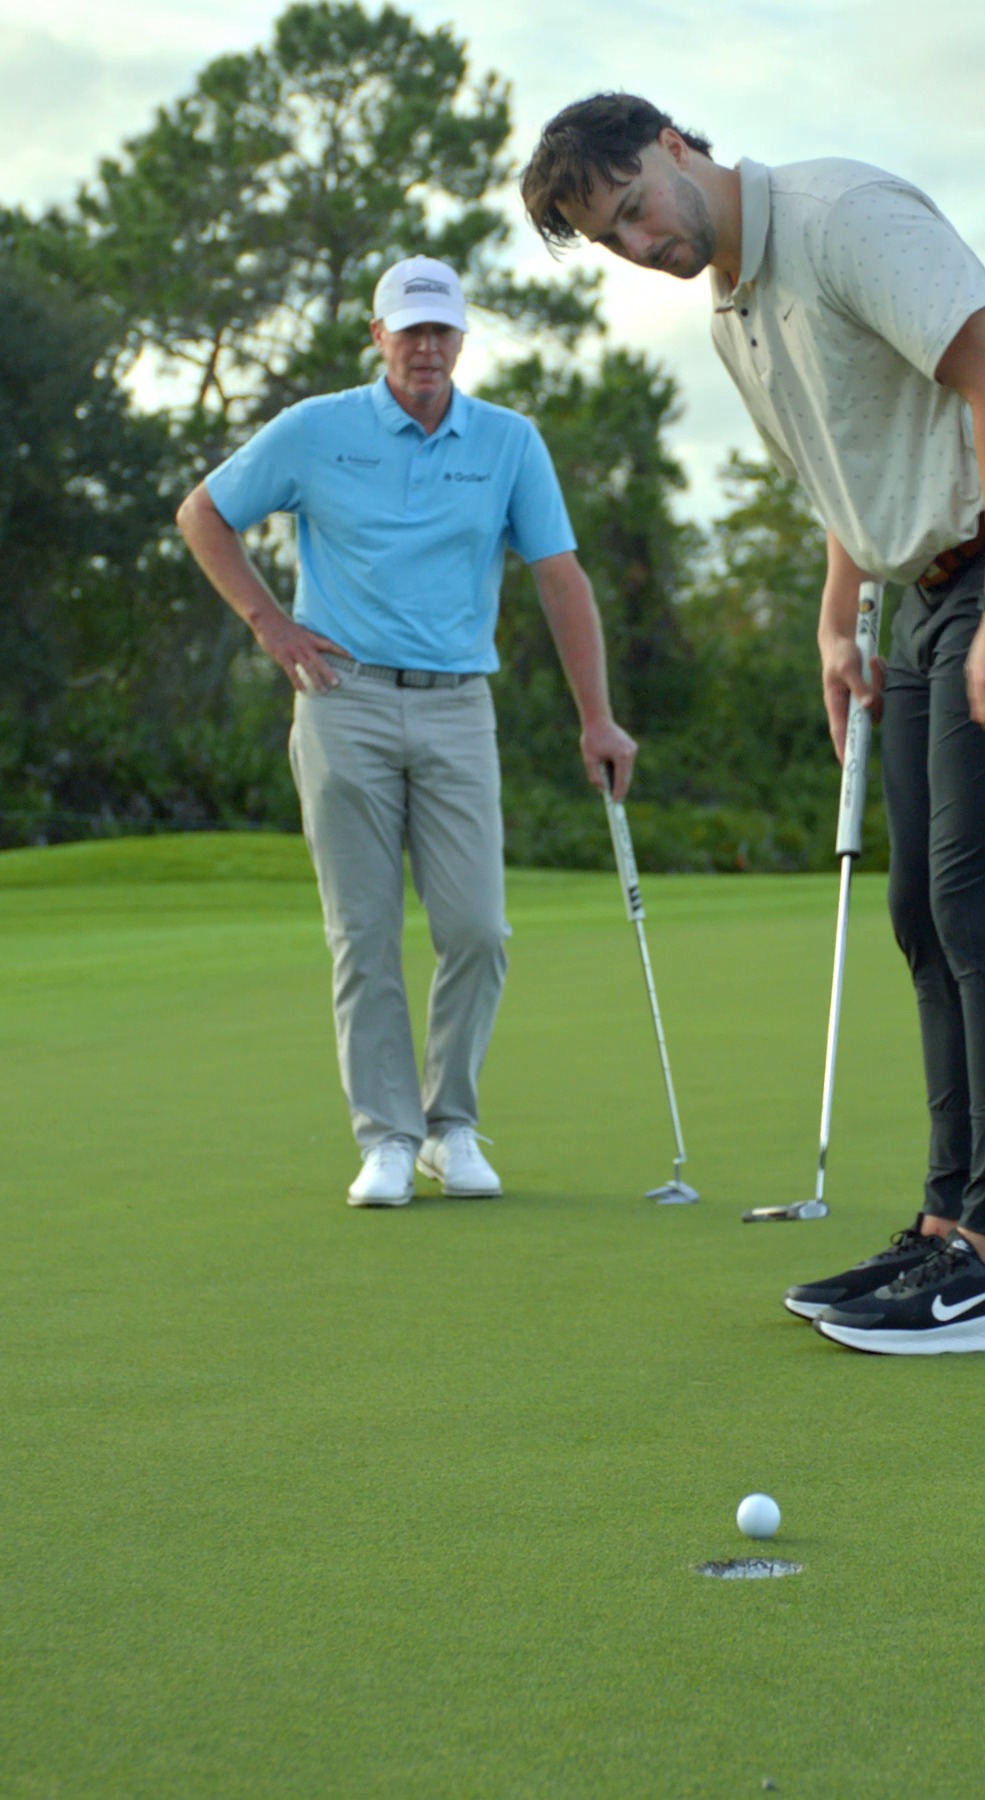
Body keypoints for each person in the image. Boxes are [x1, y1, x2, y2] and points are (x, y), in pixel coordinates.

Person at [521, 97, 985, 1353]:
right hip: (931, 591)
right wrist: (835, 623)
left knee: (984, 907)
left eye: (636, 207)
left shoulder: (842, 216)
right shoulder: (733, 310)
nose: (640, 244)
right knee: (922, 911)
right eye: (611, 241)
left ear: (678, 147)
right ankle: (946, 1224)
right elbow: (847, 472)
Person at [177, 254, 636, 1209]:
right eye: (410, 329)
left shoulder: (508, 442)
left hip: (458, 703)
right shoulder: (317, 429)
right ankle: (387, 1137)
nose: (427, 347)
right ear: (379, 336)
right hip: (341, 697)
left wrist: (597, 717)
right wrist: (270, 625)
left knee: (477, 929)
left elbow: (560, 578)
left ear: (461, 338)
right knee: (365, 933)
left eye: (442, 330)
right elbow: (204, 513)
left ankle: (448, 1126)